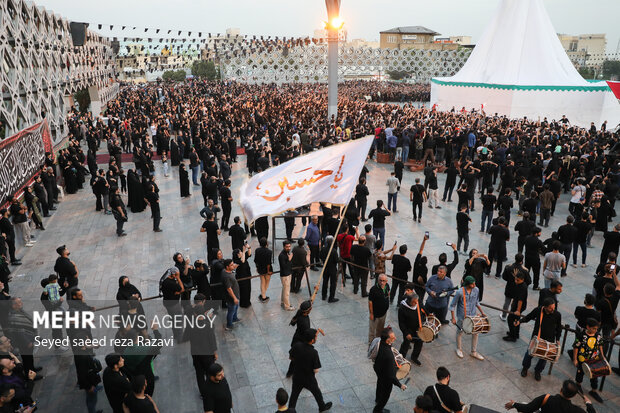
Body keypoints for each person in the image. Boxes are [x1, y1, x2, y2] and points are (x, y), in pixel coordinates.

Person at [516, 298, 562, 381]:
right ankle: (525, 368)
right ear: (545, 307)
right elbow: (528, 317)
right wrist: (520, 321)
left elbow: (559, 328)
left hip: (549, 339)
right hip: (537, 337)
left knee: (544, 358)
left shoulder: (557, 314)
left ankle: (538, 371)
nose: (553, 309)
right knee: (529, 354)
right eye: (551, 308)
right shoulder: (538, 310)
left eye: (554, 307)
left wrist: (557, 339)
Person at [288, 328, 332, 412]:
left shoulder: (297, 345)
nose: (316, 338)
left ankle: (290, 411)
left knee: (294, 395)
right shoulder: (314, 352)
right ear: (312, 340)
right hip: (309, 379)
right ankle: (322, 407)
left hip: (297, 376)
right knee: (317, 393)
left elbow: (290, 358)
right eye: (315, 337)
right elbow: (316, 370)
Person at [505, 379, 595, 413]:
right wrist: (589, 404)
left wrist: (514, 404)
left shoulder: (547, 398)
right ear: (573, 396)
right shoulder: (577, 410)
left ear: (561, 390)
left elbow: (528, 408)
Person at [450, 276, 485, 360]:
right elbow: (452, 305)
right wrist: (453, 318)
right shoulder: (459, 292)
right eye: (472, 283)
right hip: (462, 317)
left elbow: (477, 302)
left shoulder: (476, 290)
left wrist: (482, 312)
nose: (474, 284)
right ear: (468, 284)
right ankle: (459, 349)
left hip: (473, 315)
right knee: (460, 332)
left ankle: (474, 352)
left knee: (476, 332)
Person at [372, 327, 406, 413]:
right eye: (393, 337)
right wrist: (400, 385)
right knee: (385, 396)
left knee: (379, 385)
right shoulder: (389, 355)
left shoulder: (379, 343)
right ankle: (378, 410)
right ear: (387, 340)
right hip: (386, 378)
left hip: (379, 370)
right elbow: (391, 376)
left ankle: (377, 399)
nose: (395, 338)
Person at [572, 318, 605, 403]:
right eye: (593, 328)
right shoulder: (581, 335)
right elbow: (576, 347)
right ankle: (578, 385)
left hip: (594, 360)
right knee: (580, 373)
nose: (595, 330)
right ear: (588, 327)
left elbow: (600, 344)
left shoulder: (597, 335)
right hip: (582, 360)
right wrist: (575, 359)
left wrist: (602, 355)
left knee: (594, 376)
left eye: (596, 329)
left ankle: (593, 391)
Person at [73, 332, 103, 413]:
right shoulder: (83, 357)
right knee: (92, 400)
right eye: (87, 339)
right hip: (89, 382)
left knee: (90, 398)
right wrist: (89, 386)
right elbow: (82, 374)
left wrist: (94, 346)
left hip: (91, 380)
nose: (89, 340)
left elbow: (86, 346)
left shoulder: (79, 349)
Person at [398, 292, 425, 366]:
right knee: (406, 344)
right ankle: (400, 359)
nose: (416, 303)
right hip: (408, 329)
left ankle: (414, 357)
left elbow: (423, 308)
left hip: (418, 328)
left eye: (417, 301)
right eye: (414, 302)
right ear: (409, 301)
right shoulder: (402, 308)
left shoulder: (417, 302)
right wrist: (406, 333)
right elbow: (401, 323)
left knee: (419, 343)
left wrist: (429, 314)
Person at [160, 267, 184, 341]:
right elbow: (182, 289)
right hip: (174, 305)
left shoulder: (165, 281)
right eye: (177, 274)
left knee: (173, 320)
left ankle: (176, 335)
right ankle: (180, 338)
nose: (177, 276)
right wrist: (179, 279)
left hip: (167, 303)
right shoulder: (171, 283)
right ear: (173, 274)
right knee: (178, 320)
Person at [503, 271, 528, 342]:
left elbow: (520, 300)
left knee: (511, 319)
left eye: (518, 280)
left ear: (522, 279)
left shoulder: (522, 287)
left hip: (519, 306)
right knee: (516, 320)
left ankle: (512, 336)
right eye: (515, 279)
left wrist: (518, 310)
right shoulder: (520, 285)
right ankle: (516, 333)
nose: (516, 281)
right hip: (516, 305)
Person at [368, 274, 390, 343]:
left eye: (384, 281)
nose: (382, 282)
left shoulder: (387, 286)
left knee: (380, 329)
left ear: (386, 281)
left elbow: (388, 293)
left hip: (383, 313)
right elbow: (370, 302)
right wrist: (371, 313)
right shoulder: (373, 289)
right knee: (372, 330)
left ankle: (378, 342)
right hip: (375, 314)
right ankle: (371, 343)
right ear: (378, 280)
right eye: (380, 280)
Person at [221, 259, 241, 331]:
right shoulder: (226, 277)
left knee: (235, 308)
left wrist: (233, 268)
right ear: (227, 267)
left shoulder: (226, 271)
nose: (233, 266)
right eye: (231, 265)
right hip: (231, 297)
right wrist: (234, 298)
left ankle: (234, 318)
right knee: (231, 310)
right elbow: (229, 289)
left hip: (236, 294)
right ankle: (229, 325)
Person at [320, 236, 339, 303]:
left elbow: (321, 257)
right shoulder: (333, 251)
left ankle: (323, 295)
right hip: (332, 269)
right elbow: (336, 260)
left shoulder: (323, 249)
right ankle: (331, 298)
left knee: (325, 282)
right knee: (332, 283)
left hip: (325, 268)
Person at [254, 237, 273, 303]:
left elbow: (255, 260)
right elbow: (268, 263)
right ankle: (263, 296)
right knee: (267, 282)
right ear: (266, 243)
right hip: (267, 270)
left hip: (260, 269)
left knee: (262, 282)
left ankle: (263, 294)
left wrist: (257, 267)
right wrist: (268, 271)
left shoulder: (257, 250)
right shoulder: (269, 252)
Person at [278, 240, 295, 310]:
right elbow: (284, 266)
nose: (289, 248)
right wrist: (289, 259)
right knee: (286, 291)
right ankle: (287, 306)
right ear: (283, 247)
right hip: (285, 275)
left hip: (287, 274)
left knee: (284, 289)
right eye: (287, 247)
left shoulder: (286, 253)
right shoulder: (282, 255)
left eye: (289, 246)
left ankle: (283, 302)